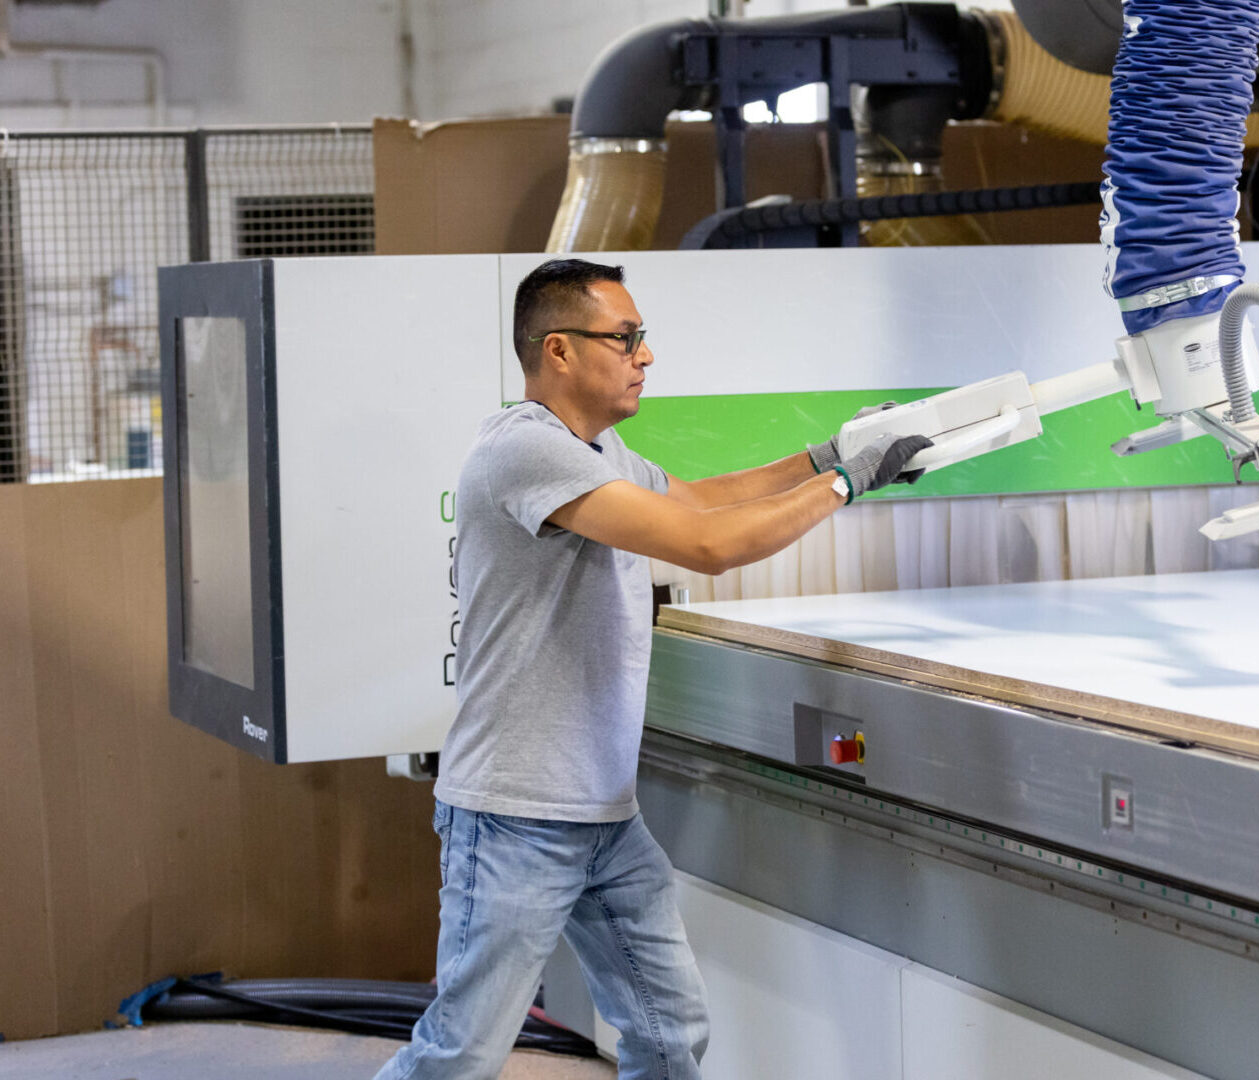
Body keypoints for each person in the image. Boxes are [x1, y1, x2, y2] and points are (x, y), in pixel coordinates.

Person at [375, 258, 929, 1080]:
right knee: (459, 1054)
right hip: (516, 816)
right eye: (626, 338)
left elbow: (700, 502)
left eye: (643, 339)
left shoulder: (599, 451)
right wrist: (852, 481)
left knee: (670, 1030)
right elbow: (706, 546)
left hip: (601, 815)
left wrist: (828, 455)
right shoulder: (526, 450)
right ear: (559, 351)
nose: (645, 355)